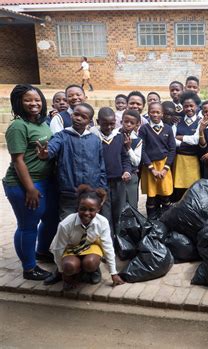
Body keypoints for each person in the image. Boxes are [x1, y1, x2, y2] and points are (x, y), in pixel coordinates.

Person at [4, 84, 59, 280]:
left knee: (52, 219)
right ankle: (29, 268)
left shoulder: (42, 123)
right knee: (28, 225)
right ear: (19, 102)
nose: (33, 103)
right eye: (28, 100)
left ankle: (41, 251)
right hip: (24, 184)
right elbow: (17, 160)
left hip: (45, 181)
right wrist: (29, 188)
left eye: (37, 99)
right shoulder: (18, 126)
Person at [47, 185, 125, 289]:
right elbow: (58, 249)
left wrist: (113, 273)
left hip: (90, 245)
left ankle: (92, 270)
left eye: (91, 210)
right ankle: (73, 273)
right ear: (77, 207)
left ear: (98, 209)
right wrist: (62, 272)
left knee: (90, 263)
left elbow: (108, 247)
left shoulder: (102, 222)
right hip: (70, 247)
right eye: (82, 209)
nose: (86, 213)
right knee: (69, 266)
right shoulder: (66, 224)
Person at [38, 102, 106, 220]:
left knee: (90, 226)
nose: (78, 118)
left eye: (83, 117)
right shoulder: (62, 136)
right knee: (67, 225)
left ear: (90, 121)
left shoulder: (95, 140)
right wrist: (46, 154)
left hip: (91, 193)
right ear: (71, 116)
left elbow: (101, 167)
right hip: (69, 192)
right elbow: (52, 147)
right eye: (76, 114)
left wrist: (103, 188)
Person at [91, 107, 131, 236]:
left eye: (112, 123)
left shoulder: (119, 137)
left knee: (119, 212)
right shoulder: (93, 138)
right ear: (98, 122)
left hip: (119, 181)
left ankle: (120, 242)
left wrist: (127, 171)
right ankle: (109, 243)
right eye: (105, 124)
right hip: (102, 182)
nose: (109, 127)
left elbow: (125, 157)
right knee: (105, 213)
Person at [139, 102, 176, 218]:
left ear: (162, 114)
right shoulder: (144, 129)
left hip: (164, 165)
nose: (155, 115)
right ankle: (151, 221)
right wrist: (151, 169)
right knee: (151, 196)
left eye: (158, 112)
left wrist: (166, 168)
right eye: (152, 112)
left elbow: (172, 149)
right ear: (148, 113)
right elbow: (142, 149)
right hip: (150, 167)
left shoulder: (168, 129)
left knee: (165, 194)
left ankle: (166, 221)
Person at [172, 92, 201, 201]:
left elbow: (196, 140)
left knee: (192, 190)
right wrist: (186, 141)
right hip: (179, 160)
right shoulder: (177, 121)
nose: (189, 108)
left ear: (197, 106)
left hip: (194, 160)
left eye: (191, 106)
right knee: (178, 190)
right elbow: (172, 140)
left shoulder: (200, 122)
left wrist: (180, 138)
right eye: (186, 106)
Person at [120, 109, 142, 209]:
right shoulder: (114, 135)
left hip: (131, 175)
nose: (128, 125)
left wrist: (129, 148)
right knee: (118, 204)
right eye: (126, 121)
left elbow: (136, 161)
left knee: (132, 204)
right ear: (121, 121)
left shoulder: (137, 140)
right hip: (117, 175)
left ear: (136, 125)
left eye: (132, 123)